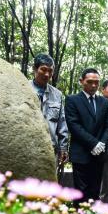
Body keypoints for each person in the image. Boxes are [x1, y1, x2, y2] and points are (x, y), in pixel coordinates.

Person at [65, 68, 108, 203]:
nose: (93, 85)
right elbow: (74, 126)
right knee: (81, 193)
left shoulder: (104, 102)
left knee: (96, 192)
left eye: (97, 82)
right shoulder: (72, 100)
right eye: (90, 82)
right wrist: (94, 143)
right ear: (82, 81)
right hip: (81, 154)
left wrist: (102, 144)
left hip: (99, 155)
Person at [29, 53, 69, 181]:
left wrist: (63, 148)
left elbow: (62, 123)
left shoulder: (57, 94)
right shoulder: (24, 88)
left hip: (51, 148)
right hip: (29, 146)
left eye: (50, 71)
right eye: (43, 70)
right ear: (35, 69)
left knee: (50, 185)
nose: (47, 74)